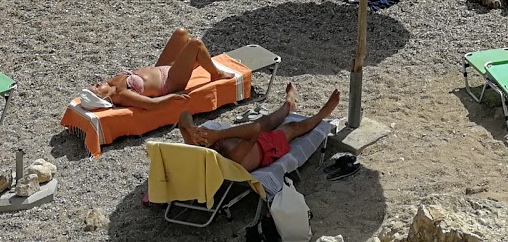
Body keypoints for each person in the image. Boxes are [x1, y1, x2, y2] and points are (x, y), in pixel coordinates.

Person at [178, 83, 340, 172]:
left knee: (266, 121)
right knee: (292, 128)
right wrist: (218, 135)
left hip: (248, 138)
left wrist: (191, 129)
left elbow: (183, 115)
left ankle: (288, 104)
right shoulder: (232, 159)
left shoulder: (199, 148)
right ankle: (322, 114)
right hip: (266, 149)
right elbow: (254, 130)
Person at [87, 29, 237, 109]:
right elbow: (151, 105)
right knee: (195, 44)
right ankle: (216, 74)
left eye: (95, 85)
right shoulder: (122, 95)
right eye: (97, 88)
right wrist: (173, 97)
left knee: (181, 33)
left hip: (161, 68)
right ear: (104, 98)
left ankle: (196, 60)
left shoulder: (111, 83)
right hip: (170, 82)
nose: (98, 84)